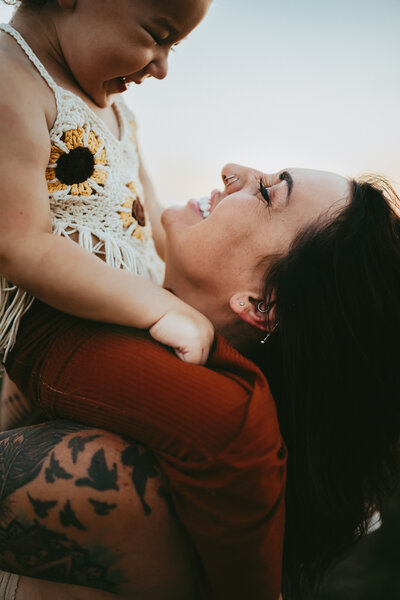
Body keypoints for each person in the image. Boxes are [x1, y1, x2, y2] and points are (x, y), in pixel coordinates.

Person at [1, 163, 400, 600]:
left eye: (267, 193)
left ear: (261, 304)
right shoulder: (118, 294)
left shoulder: (124, 482)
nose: (233, 171)